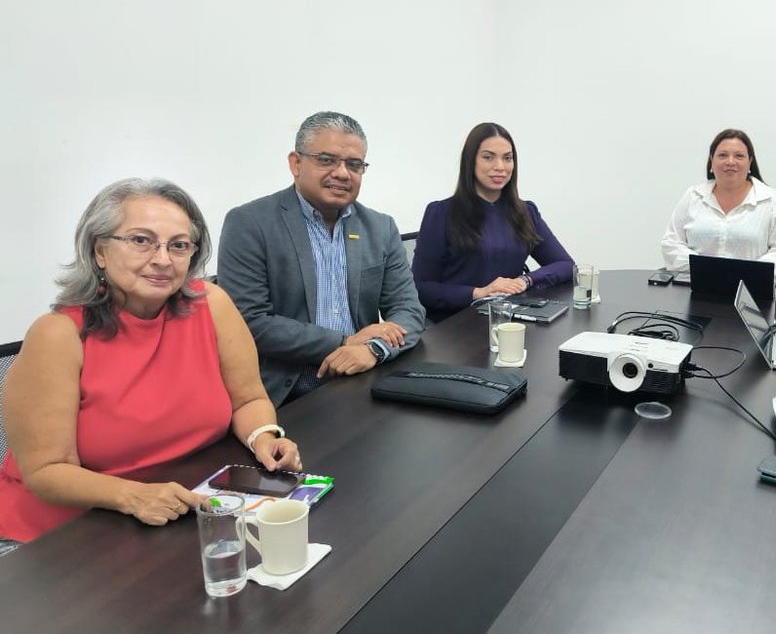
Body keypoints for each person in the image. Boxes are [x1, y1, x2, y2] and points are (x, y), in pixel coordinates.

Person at [0, 179, 302, 548]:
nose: (162, 259)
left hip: (175, 511)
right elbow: (45, 472)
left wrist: (263, 437)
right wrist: (133, 496)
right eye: (141, 240)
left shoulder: (212, 305)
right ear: (99, 251)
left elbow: (248, 400)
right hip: (59, 540)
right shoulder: (59, 335)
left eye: (178, 245)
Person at [220, 111, 426, 405]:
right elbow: (249, 322)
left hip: (363, 381)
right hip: (286, 394)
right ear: (296, 163)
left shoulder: (380, 227)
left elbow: (409, 310)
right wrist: (343, 342)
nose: (342, 173)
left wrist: (373, 349)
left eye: (355, 165)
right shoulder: (250, 223)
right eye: (326, 160)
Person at [412, 122, 573, 322]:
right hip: (454, 325)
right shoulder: (441, 213)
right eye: (488, 157)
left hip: (507, 320)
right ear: (471, 161)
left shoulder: (525, 212)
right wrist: (480, 292)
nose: (500, 167)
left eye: (507, 158)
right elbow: (420, 287)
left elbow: (566, 265)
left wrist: (526, 280)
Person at [660, 128, 776, 282]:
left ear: (750, 162)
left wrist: (749, 273)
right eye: (722, 155)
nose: (730, 162)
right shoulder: (693, 196)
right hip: (695, 288)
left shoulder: (770, 199)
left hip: (750, 293)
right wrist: (704, 268)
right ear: (712, 161)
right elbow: (671, 243)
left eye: (739, 156)